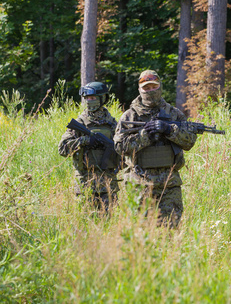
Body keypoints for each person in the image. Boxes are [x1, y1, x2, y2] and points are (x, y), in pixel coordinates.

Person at [113, 70, 197, 228]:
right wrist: (146, 136)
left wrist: (169, 130)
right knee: (142, 234)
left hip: (169, 186)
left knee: (171, 231)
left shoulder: (174, 114)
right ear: (140, 90)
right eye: (146, 88)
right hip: (140, 186)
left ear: (160, 88)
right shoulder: (130, 116)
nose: (150, 91)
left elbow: (189, 141)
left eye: (154, 87)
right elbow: (119, 147)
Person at [58, 81, 119, 211]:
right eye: (87, 98)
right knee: (85, 222)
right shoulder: (80, 123)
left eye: (93, 98)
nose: (89, 101)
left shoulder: (112, 124)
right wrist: (84, 141)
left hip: (108, 182)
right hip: (85, 182)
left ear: (103, 99)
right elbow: (62, 149)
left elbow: (123, 149)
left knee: (109, 221)